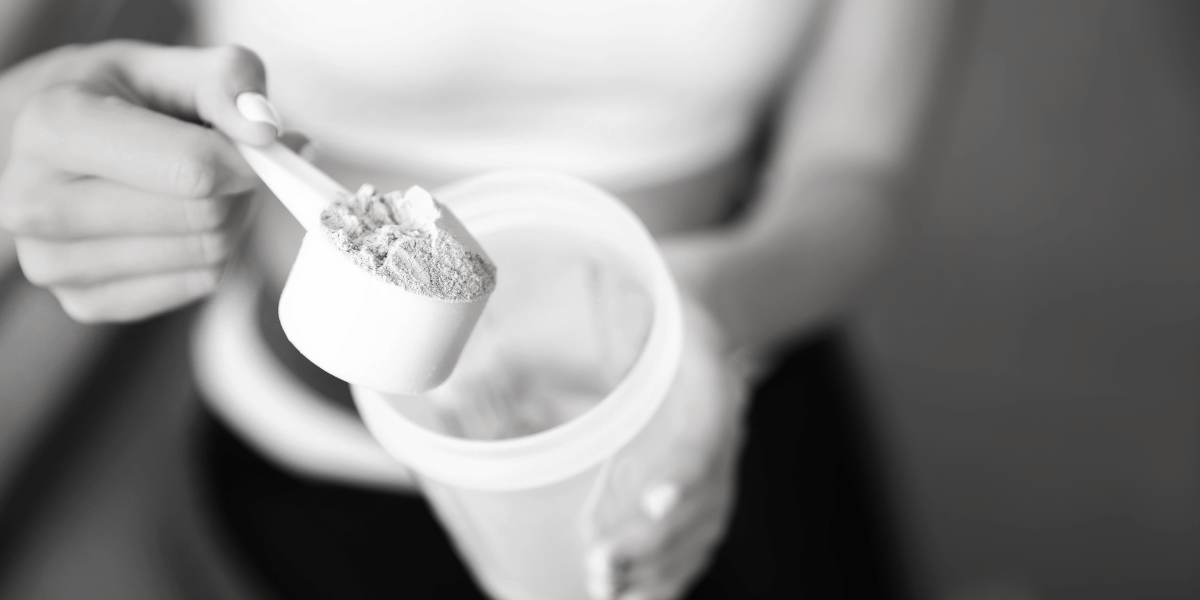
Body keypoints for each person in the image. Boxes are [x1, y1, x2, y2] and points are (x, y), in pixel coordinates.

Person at [0, 1, 954, 598]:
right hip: (319, 466)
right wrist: (17, 132)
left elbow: (858, 167)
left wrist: (703, 312)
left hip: (707, 412)